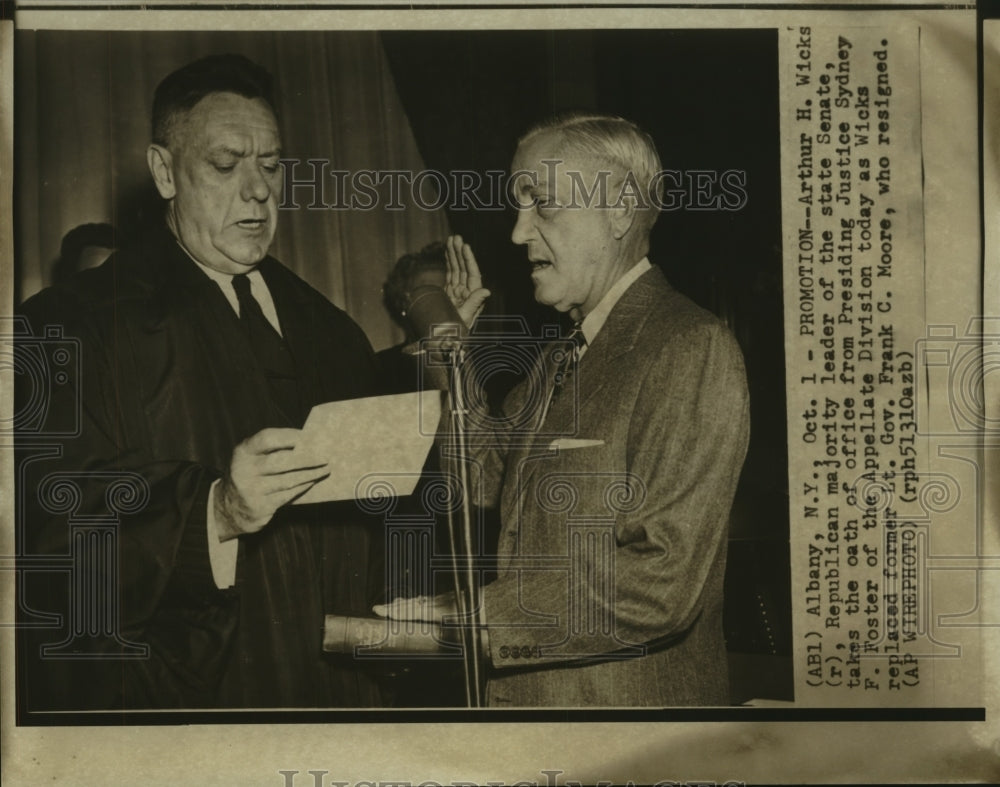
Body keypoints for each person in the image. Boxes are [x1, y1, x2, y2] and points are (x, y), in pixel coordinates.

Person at [16, 54, 386, 710]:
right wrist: (213, 512)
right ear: (164, 172)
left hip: (341, 699)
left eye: (271, 165)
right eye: (225, 165)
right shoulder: (68, 327)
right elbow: (47, 541)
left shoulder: (335, 332)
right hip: (191, 701)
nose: (258, 192)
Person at [377, 112, 751, 706]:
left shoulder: (688, 347)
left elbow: (661, 584)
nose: (518, 233)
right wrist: (457, 366)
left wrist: (472, 616)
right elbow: (478, 483)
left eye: (543, 206)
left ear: (620, 211)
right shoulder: (554, 363)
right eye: (518, 208)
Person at [377, 241, 448, 394]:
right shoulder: (380, 368)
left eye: (443, 294)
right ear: (403, 303)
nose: (434, 303)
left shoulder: (482, 362)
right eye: (423, 294)